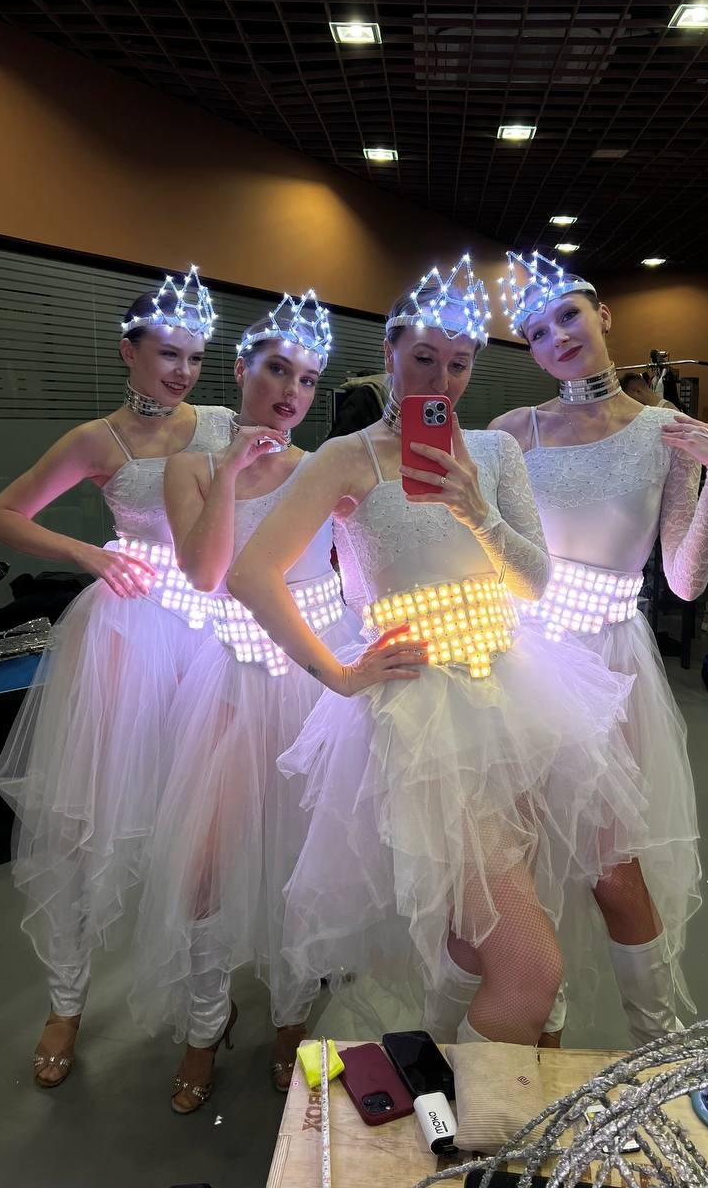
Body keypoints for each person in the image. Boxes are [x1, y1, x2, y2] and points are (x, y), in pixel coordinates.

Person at [227, 256, 642, 1047]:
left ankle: (437, 1078)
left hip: (515, 697)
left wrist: (477, 511)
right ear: (389, 354)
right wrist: (338, 675)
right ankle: (477, 1116)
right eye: (423, 358)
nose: (441, 380)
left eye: (458, 363)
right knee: (531, 969)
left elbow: (533, 583)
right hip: (423, 718)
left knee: (477, 936)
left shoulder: (494, 452)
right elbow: (252, 574)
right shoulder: (347, 458)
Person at [0, 267, 232, 1087]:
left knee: (203, 841)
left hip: (213, 634)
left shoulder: (221, 424)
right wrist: (88, 553)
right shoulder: (99, 440)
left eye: (194, 357)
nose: (182, 371)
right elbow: (1, 514)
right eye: (167, 354)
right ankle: (66, 1001)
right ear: (128, 351)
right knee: (84, 833)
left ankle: (207, 1017)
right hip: (126, 634)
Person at [491, 253, 708, 1046]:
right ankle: (542, 1042)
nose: (557, 337)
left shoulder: (665, 434)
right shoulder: (512, 432)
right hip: (521, 661)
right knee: (523, 872)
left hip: (608, 665)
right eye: (537, 332)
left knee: (613, 871)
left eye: (567, 315)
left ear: (603, 317)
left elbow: (686, 581)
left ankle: (657, 1048)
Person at [129, 294, 361, 1111]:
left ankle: (292, 1022)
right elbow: (204, 574)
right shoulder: (190, 466)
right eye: (277, 371)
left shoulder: (322, 469)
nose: (292, 392)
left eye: (308, 379)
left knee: (302, 865)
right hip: (233, 686)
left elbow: (357, 569)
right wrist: (231, 470)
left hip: (314, 684)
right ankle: (205, 1023)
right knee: (203, 870)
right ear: (240, 370)